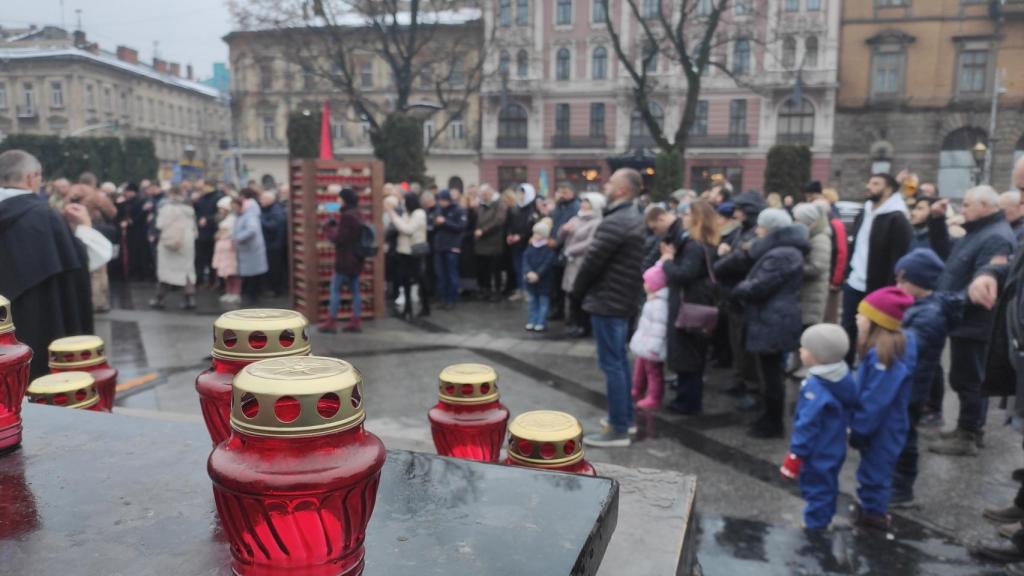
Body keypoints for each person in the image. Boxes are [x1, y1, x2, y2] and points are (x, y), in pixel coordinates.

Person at [0, 150, 108, 378]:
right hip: (36, 328)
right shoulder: (44, 217)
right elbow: (79, 261)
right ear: (31, 177)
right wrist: (84, 228)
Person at [930, 185, 1016, 456]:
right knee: (963, 377)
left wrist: (944, 302)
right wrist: (936, 221)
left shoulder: (995, 237)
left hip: (975, 323)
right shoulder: (978, 232)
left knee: (969, 379)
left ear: (986, 207)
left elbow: (982, 283)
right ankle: (967, 428)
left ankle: (968, 434)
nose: (962, 209)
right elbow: (947, 253)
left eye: (967, 205)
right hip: (963, 320)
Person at [575, 168, 646, 448]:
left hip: (609, 300)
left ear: (622, 191)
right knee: (619, 361)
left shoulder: (618, 220)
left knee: (612, 364)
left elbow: (592, 261)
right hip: (620, 299)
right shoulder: (631, 216)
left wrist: (577, 292)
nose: (605, 185)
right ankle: (625, 418)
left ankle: (618, 428)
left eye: (611, 182)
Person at [890, 249, 962, 507]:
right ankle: (895, 481)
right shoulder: (920, 307)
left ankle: (902, 488)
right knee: (898, 434)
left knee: (905, 436)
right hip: (908, 382)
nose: (898, 286)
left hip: (912, 386)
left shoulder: (929, 315)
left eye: (902, 281)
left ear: (920, 281)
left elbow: (910, 348)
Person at [733, 208, 807, 437]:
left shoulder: (782, 254)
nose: (757, 230)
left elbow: (759, 286)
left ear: (773, 229)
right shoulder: (784, 251)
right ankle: (769, 417)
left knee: (772, 375)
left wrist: (741, 287)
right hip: (772, 317)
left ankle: (773, 423)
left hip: (773, 319)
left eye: (762, 226)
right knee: (769, 372)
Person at [849, 286, 917, 530]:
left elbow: (875, 400)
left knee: (875, 471)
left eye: (862, 315)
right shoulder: (889, 349)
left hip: (882, 428)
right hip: (883, 425)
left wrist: (858, 429)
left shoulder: (883, 356)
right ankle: (870, 506)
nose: (857, 319)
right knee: (873, 469)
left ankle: (874, 515)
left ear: (877, 322)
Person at [779, 324, 855, 530]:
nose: (801, 351)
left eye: (804, 348)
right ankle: (824, 516)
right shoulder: (841, 375)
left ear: (817, 355)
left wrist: (795, 454)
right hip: (834, 444)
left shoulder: (816, 386)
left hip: (818, 448)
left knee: (816, 486)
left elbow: (807, 424)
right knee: (827, 483)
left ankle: (816, 526)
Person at [842, 173, 913, 365]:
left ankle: (870, 369)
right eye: (869, 182)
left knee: (875, 332)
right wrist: (847, 275)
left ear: (888, 189)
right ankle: (846, 371)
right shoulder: (864, 212)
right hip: (855, 282)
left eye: (875, 183)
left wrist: (891, 287)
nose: (869, 186)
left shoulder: (897, 217)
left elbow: (899, 256)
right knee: (848, 328)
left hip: (878, 285)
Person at [660, 200, 720, 415]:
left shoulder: (694, 245)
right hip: (697, 302)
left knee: (688, 354)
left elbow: (684, 275)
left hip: (690, 305)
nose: (683, 218)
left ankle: (688, 402)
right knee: (691, 354)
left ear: (696, 218)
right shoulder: (705, 243)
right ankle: (685, 398)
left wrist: (667, 261)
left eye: (686, 214)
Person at [715, 190, 766, 405]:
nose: (735, 214)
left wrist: (725, 256)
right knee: (736, 342)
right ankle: (740, 379)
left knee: (748, 345)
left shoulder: (754, 233)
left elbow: (740, 259)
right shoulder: (741, 231)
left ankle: (752, 387)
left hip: (744, 295)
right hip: (733, 295)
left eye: (738, 210)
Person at [319, 188, 366, 333]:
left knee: (335, 289)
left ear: (344, 199)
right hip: (357, 258)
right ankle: (356, 321)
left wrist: (328, 230)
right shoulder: (358, 214)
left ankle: (331, 321)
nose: (338, 200)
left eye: (339, 198)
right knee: (355, 290)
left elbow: (341, 239)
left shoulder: (347, 216)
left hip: (345, 259)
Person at [560, 192, 605, 338]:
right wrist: (564, 229)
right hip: (571, 263)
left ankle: (583, 326)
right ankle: (573, 322)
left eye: (587, 203)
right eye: (583, 202)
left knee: (581, 293)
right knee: (571, 294)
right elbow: (561, 235)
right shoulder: (576, 218)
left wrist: (570, 250)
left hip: (582, 262)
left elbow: (590, 242)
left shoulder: (597, 222)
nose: (583, 205)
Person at [630, 259, 670, 411]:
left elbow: (660, 329)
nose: (644, 284)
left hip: (652, 345)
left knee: (653, 372)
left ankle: (654, 396)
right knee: (640, 366)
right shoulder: (652, 300)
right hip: (645, 342)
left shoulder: (660, 304)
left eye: (647, 282)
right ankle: (637, 389)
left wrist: (654, 347)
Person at [149, 186, 197, 310]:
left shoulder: (165, 208)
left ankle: (160, 299)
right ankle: (189, 299)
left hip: (169, 242)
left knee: (166, 270)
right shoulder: (189, 209)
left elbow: (160, 225)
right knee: (187, 270)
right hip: (186, 242)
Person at [386, 191, 429, 319]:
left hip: (414, 252)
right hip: (403, 251)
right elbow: (400, 226)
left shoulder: (419, 214)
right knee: (404, 280)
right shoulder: (406, 214)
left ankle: (425, 306)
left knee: (420, 279)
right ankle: (407, 308)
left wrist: (392, 215)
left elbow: (407, 229)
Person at [793, 203, 832, 330]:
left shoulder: (820, 239)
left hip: (812, 296)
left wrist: (792, 267)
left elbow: (817, 267)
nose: (794, 223)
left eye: (797, 220)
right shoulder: (809, 236)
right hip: (806, 296)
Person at [548, 183, 580, 321]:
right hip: (554, 249)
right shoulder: (558, 207)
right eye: (560, 191)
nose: (562, 195)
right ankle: (557, 309)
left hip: (567, 249)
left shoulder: (575, 207)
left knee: (567, 284)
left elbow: (570, 228)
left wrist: (557, 241)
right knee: (555, 283)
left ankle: (570, 314)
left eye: (565, 192)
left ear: (572, 193)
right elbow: (553, 223)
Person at [432, 189, 467, 310]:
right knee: (441, 275)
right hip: (440, 246)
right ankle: (443, 299)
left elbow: (461, 227)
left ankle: (452, 299)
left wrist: (445, 222)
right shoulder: (439, 209)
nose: (440, 203)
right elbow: (434, 224)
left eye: (442, 200)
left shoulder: (458, 210)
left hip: (452, 246)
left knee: (452, 274)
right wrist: (436, 223)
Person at [233, 188, 269, 305]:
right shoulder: (247, 214)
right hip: (249, 249)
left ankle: (253, 298)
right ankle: (252, 297)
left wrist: (238, 238)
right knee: (252, 275)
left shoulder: (249, 215)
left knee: (253, 276)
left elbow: (251, 230)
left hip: (251, 249)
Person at [474, 184, 508, 301]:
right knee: (484, 269)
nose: (482, 197)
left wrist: (483, 231)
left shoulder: (499, 204)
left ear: (489, 193)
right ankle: (486, 290)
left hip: (494, 242)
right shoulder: (482, 205)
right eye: (481, 195)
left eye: (484, 194)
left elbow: (498, 221)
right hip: (481, 244)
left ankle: (497, 291)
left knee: (495, 270)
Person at [506, 183, 539, 302]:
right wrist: (509, 234)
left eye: (523, 193)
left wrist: (520, 236)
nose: (520, 195)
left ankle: (528, 291)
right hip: (515, 243)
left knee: (526, 267)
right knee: (517, 267)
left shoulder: (533, 208)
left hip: (526, 243)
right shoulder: (515, 208)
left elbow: (531, 227)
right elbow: (509, 223)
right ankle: (520, 289)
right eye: (519, 192)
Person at [819, 189, 848, 324]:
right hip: (824, 278)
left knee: (829, 316)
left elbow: (841, 253)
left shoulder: (836, 223)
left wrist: (836, 280)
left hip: (831, 279)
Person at [523, 220, 557, 332]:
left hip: (544, 281)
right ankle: (532, 320)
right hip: (531, 279)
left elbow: (547, 263)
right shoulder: (531, 246)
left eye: (538, 234)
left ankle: (541, 322)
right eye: (534, 233)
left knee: (543, 302)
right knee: (532, 302)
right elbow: (525, 260)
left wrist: (538, 274)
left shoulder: (548, 249)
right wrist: (528, 272)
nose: (535, 236)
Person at [193, 180, 223, 288]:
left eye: (203, 187)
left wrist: (208, 219)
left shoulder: (218, 197)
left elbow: (219, 214)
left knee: (211, 258)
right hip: (200, 232)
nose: (201, 190)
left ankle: (212, 281)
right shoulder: (201, 198)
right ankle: (199, 280)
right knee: (199, 258)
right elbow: (196, 212)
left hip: (212, 232)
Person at [259, 190, 288, 296]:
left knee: (275, 269)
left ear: (269, 199)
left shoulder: (276, 211)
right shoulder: (271, 209)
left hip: (274, 245)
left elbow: (273, 226)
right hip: (272, 244)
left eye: (262, 198)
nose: (260, 200)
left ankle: (277, 290)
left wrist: (260, 219)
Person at [212, 196, 240, 304]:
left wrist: (219, 235)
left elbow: (222, 233)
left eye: (221, 208)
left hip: (229, 248)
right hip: (223, 248)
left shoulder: (232, 219)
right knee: (226, 272)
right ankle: (229, 292)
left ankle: (235, 293)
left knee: (232, 271)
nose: (219, 210)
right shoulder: (226, 219)